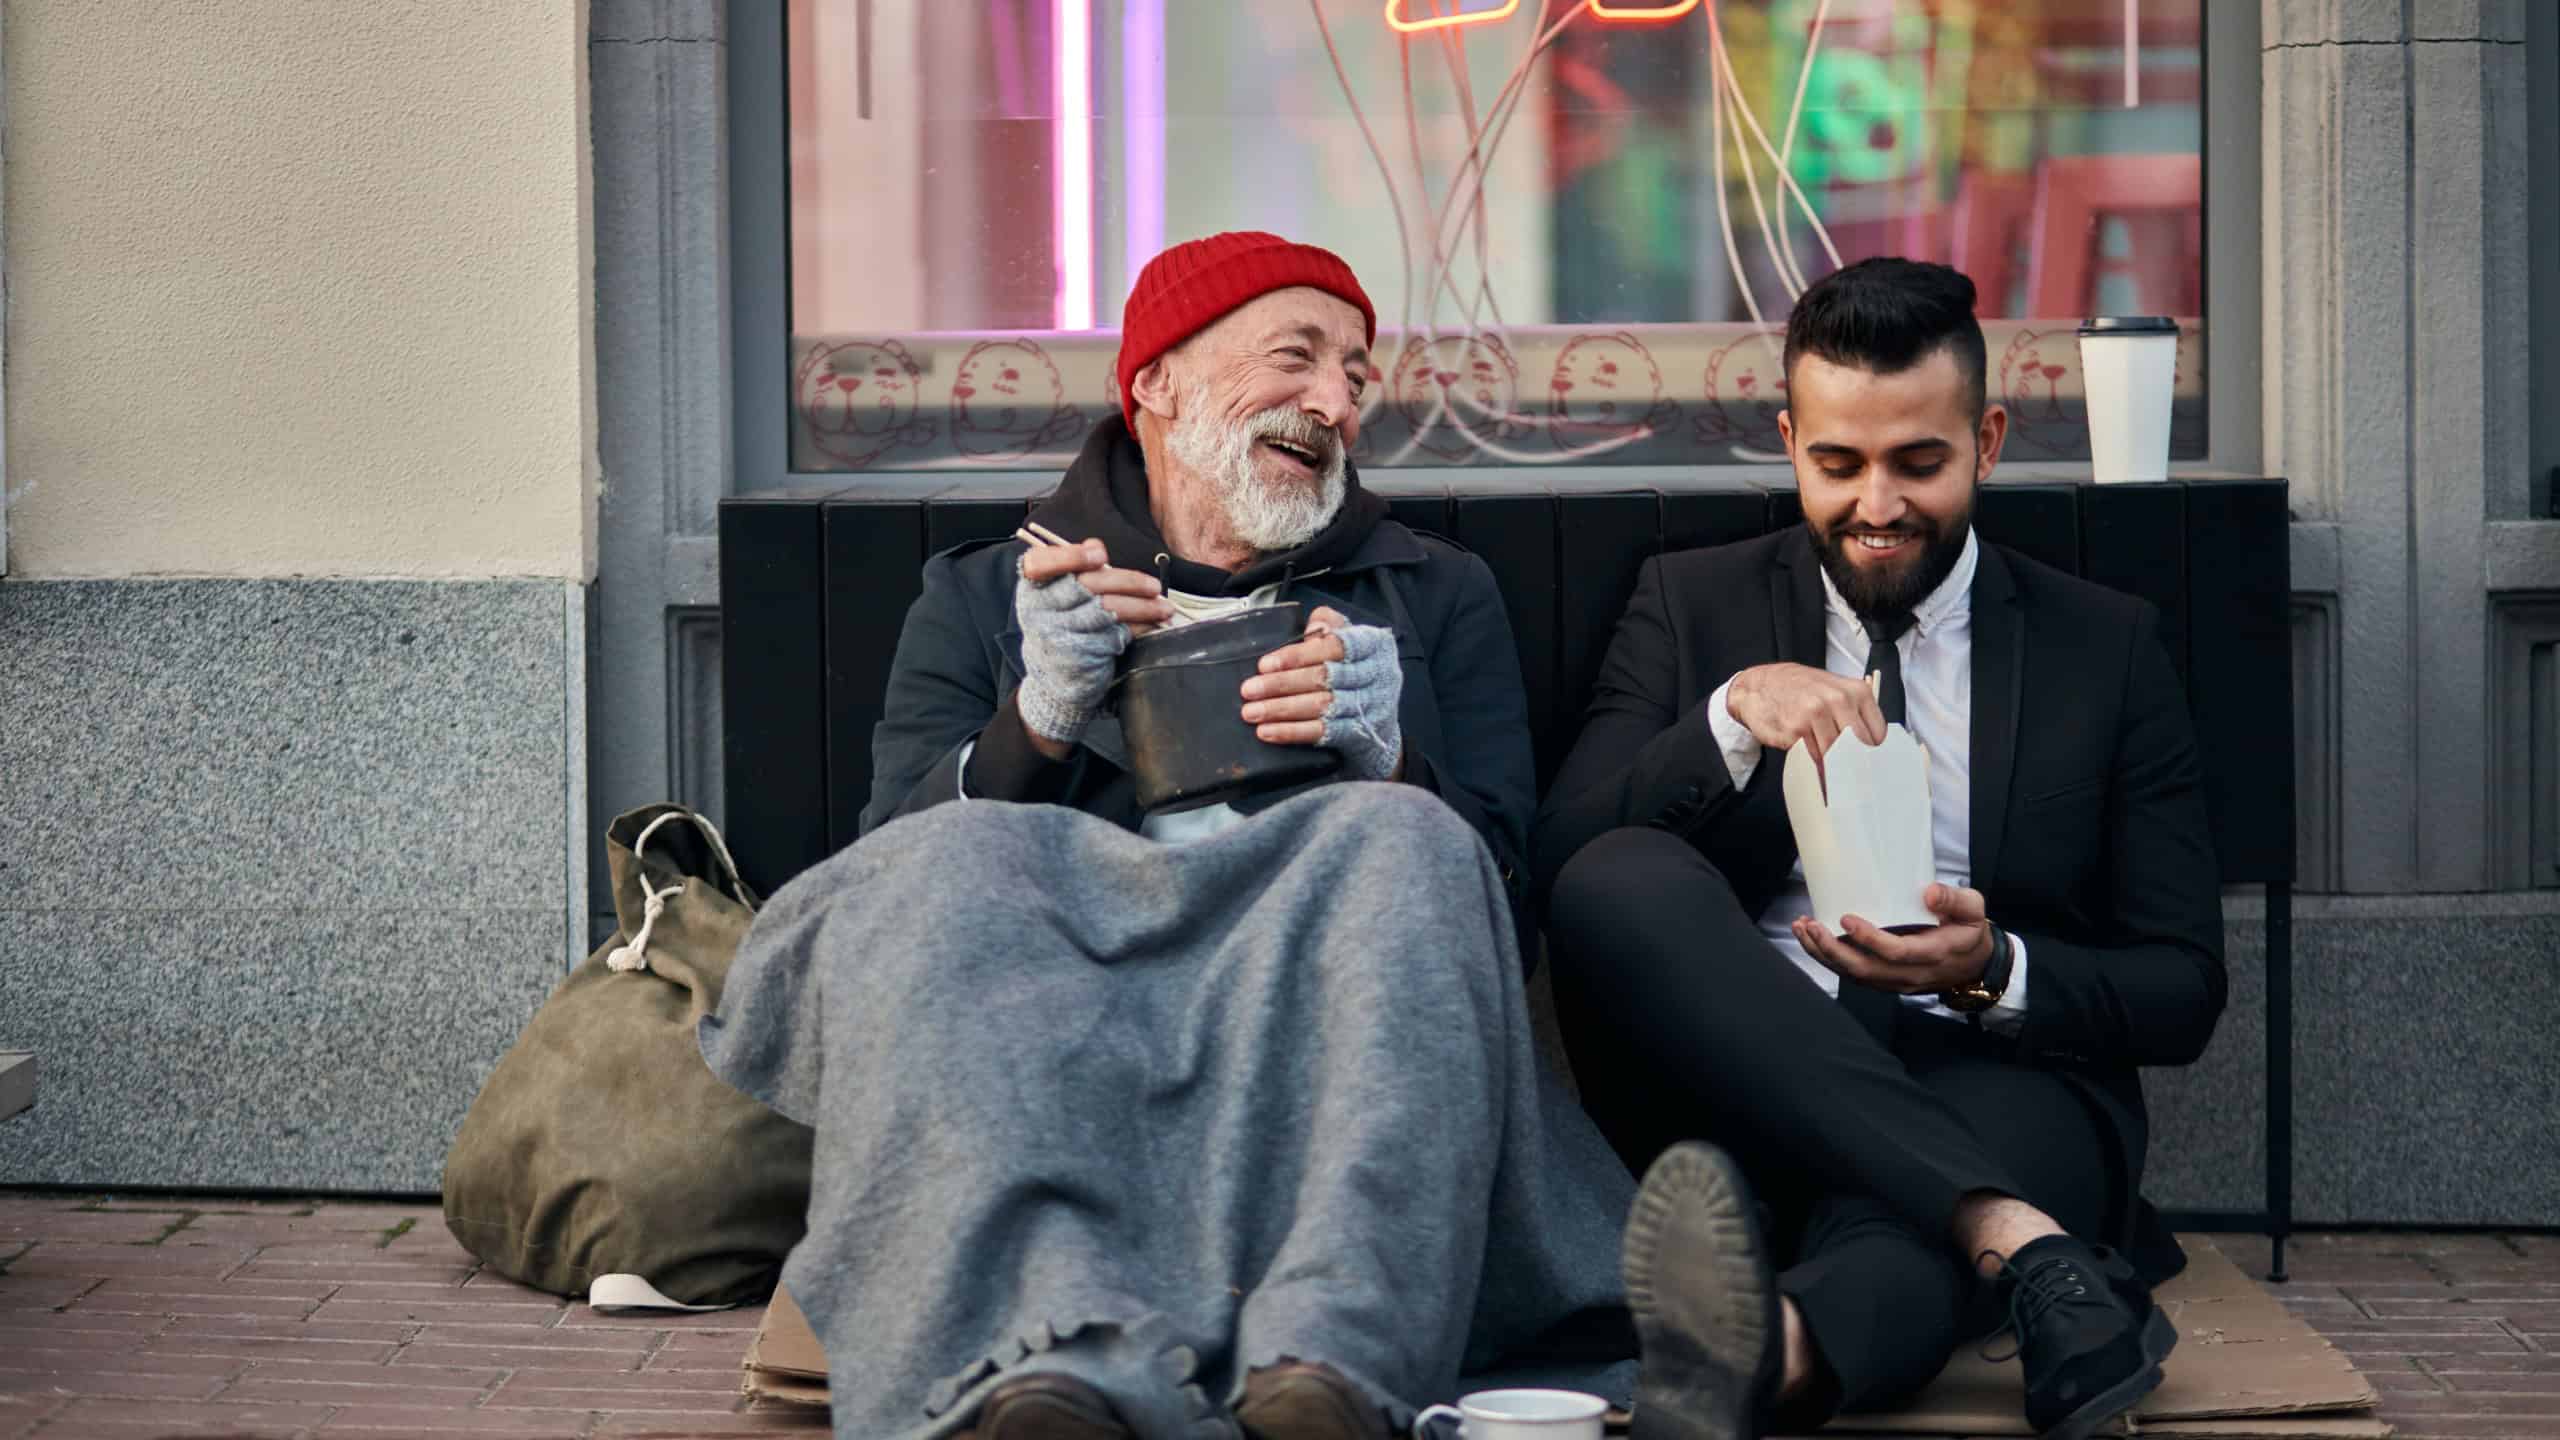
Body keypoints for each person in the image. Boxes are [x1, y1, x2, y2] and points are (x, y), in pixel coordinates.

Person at [701, 232, 1639, 1440]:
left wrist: (1388, 759)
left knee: (1407, 844)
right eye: (1296, 356)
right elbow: (891, 874)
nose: (1335, 401)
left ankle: (1332, 1360)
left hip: (1313, 1003)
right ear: (1155, 383)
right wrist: (1036, 717)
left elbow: (1497, 911)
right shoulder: (990, 596)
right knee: (942, 864)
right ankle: (1040, 1370)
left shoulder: (1432, 596)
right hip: (1068, 1007)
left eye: (1355, 376)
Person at [1533, 258, 2226, 1440]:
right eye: (1837, 463)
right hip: (1736, 1063)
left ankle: (1764, 1360)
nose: (1876, 505)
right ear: (1789, 439)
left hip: (1995, 1072)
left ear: (1988, 439)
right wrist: (1725, 722)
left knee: (1897, 1214)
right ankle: (2021, 1244)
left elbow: (2183, 989)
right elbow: (1566, 869)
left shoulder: (2102, 649)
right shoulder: (1686, 605)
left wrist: (1993, 966)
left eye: (1918, 463)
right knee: (1617, 874)